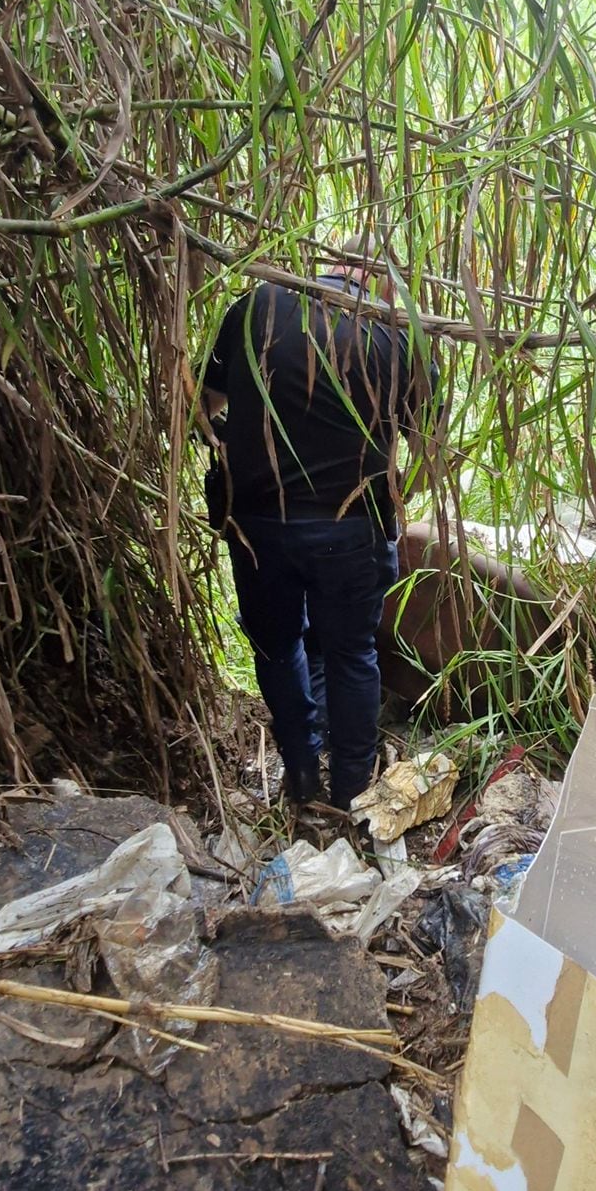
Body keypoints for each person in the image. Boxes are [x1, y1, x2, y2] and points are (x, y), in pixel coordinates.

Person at [201, 238, 431, 811]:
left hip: (258, 525)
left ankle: (302, 776)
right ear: (384, 282)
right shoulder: (399, 336)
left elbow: (201, 404)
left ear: (332, 264)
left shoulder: (256, 306)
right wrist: (392, 485)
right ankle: (352, 791)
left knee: (277, 648)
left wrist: (234, 443)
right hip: (351, 530)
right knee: (352, 654)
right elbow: (429, 455)